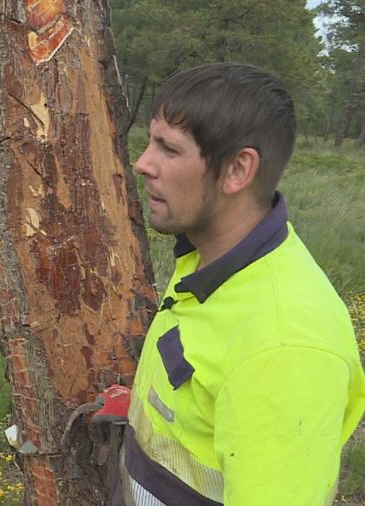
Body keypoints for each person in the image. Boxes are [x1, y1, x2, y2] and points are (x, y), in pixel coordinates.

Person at [109, 63, 365, 505]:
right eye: (151, 140)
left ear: (237, 170)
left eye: (169, 149)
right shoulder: (209, 255)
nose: (142, 163)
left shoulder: (283, 347)